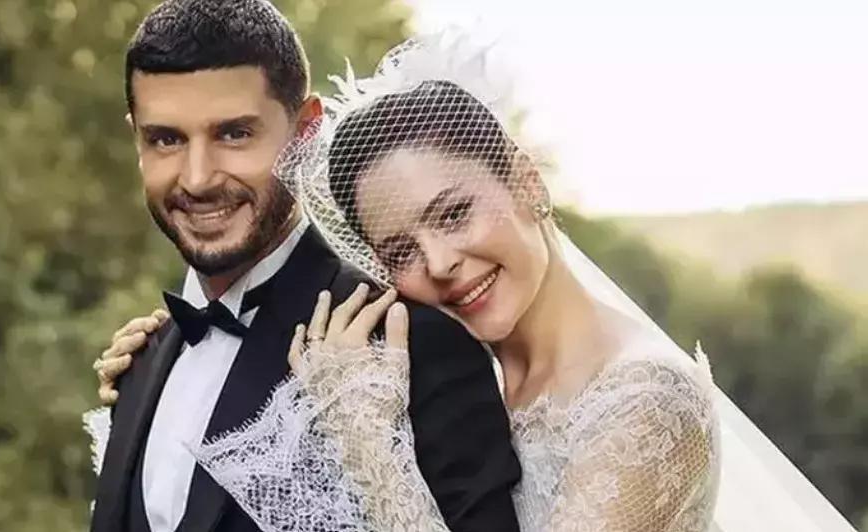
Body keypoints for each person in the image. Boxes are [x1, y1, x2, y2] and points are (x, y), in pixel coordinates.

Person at [98, 30, 860, 532]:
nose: (438, 262)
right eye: (400, 249)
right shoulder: (462, 373)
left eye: (454, 212)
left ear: (526, 182)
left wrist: (371, 445)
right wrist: (166, 367)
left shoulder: (646, 403)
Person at [86, 3, 521, 532]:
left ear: (307, 131)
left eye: (234, 134)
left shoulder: (414, 348)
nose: (197, 179)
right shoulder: (139, 360)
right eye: (166, 139)